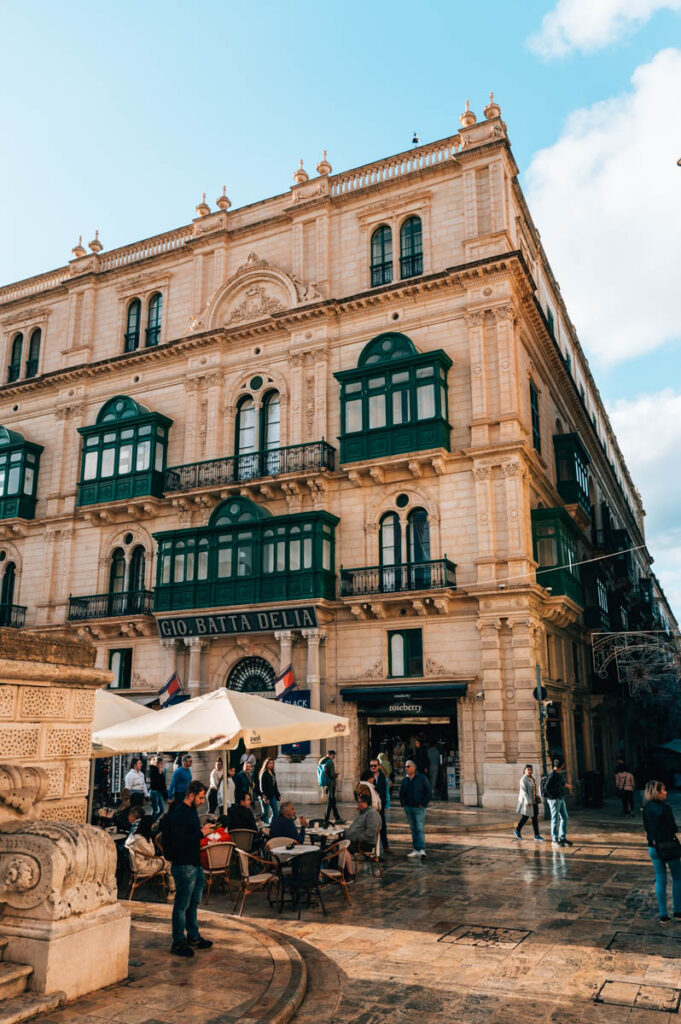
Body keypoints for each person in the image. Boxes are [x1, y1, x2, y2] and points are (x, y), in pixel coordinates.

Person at [166, 780, 215, 957]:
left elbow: (191, 835)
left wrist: (202, 831)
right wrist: (201, 833)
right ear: (192, 795)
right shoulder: (179, 814)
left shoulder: (192, 812)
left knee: (193, 903)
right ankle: (178, 941)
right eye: (201, 798)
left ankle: (193, 936)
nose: (202, 801)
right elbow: (180, 841)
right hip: (183, 865)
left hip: (195, 864)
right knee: (181, 905)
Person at [642, 779, 681, 923]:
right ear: (657, 792)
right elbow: (673, 827)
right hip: (668, 846)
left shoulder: (645, 808)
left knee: (660, 879)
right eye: (663, 790)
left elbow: (647, 827)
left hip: (653, 847)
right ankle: (678, 911)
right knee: (677, 877)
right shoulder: (665, 808)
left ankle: (663, 915)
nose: (666, 792)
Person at [125, 814, 174, 894]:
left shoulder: (133, 835)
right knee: (169, 862)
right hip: (144, 866)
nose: (153, 826)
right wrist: (150, 840)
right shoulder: (141, 840)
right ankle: (172, 890)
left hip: (135, 865)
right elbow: (152, 853)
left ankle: (171, 886)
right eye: (152, 824)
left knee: (165, 859)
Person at [399, 759, 432, 859]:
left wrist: (423, 803)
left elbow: (429, 791)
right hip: (409, 807)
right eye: (405, 766)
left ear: (414, 768)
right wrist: (403, 804)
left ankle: (422, 849)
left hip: (419, 808)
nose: (406, 768)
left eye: (408, 766)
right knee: (413, 829)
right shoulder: (405, 780)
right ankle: (416, 849)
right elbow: (401, 793)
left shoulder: (421, 778)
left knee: (420, 828)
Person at [545, 758, 573, 848]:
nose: (563, 766)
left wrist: (566, 785)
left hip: (560, 798)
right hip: (555, 800)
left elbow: (560, 783)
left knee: (564, 817)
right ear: (561, 766)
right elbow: (546, 788)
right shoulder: (552, 774)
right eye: (563, 765)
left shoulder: (557, 774)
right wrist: (554, 797)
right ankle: (554, 840)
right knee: (555, 819)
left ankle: (562, 838)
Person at [513, 765, 544, 842]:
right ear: (525, 771)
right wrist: (528, 801)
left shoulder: (532, 778)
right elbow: (523, 791)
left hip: (534, 802)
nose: (530, 771)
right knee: (525, 817)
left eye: (531, 769)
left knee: (534, 818)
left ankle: (537, 835)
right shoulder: (523, 779)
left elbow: (535, 789)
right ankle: (517, 830)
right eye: (528, 770)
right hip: (527, 802)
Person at [370, 757, 390, 852]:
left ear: (378, 766)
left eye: (375, 765)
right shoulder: (368, 776)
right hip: (370, 805)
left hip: (380, 804)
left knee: (383, 826)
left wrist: (384, 803)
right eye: (371, 766)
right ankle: (371, 848)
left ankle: (385, 846)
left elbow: (384, 790)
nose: (373, 767)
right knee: (371, 826)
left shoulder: (382, 776)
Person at [319, 750, 343, 827]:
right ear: (331, 755)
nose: (334, 757)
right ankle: (326, 819)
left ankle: (337, 818)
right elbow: (332, 775)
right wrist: (336, 774)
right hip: (331, 784)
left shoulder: (323, 761)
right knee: (330, 802)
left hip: (326, 784)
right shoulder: (330, 762)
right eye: (334, 755)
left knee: (333, 801)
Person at [259, 758, 281, 825]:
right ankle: (265, 827)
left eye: (272, 763)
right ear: (266, 764)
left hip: (272, 795)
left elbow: (275, 785)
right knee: (265, 813)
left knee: (276, 812)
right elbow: (262, 787)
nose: (271, 765)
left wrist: (278, 795)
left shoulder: (273, 773)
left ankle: (271, 825)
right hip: (266, 796)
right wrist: (265, 798)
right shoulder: (264, 774)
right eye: (270, 763)